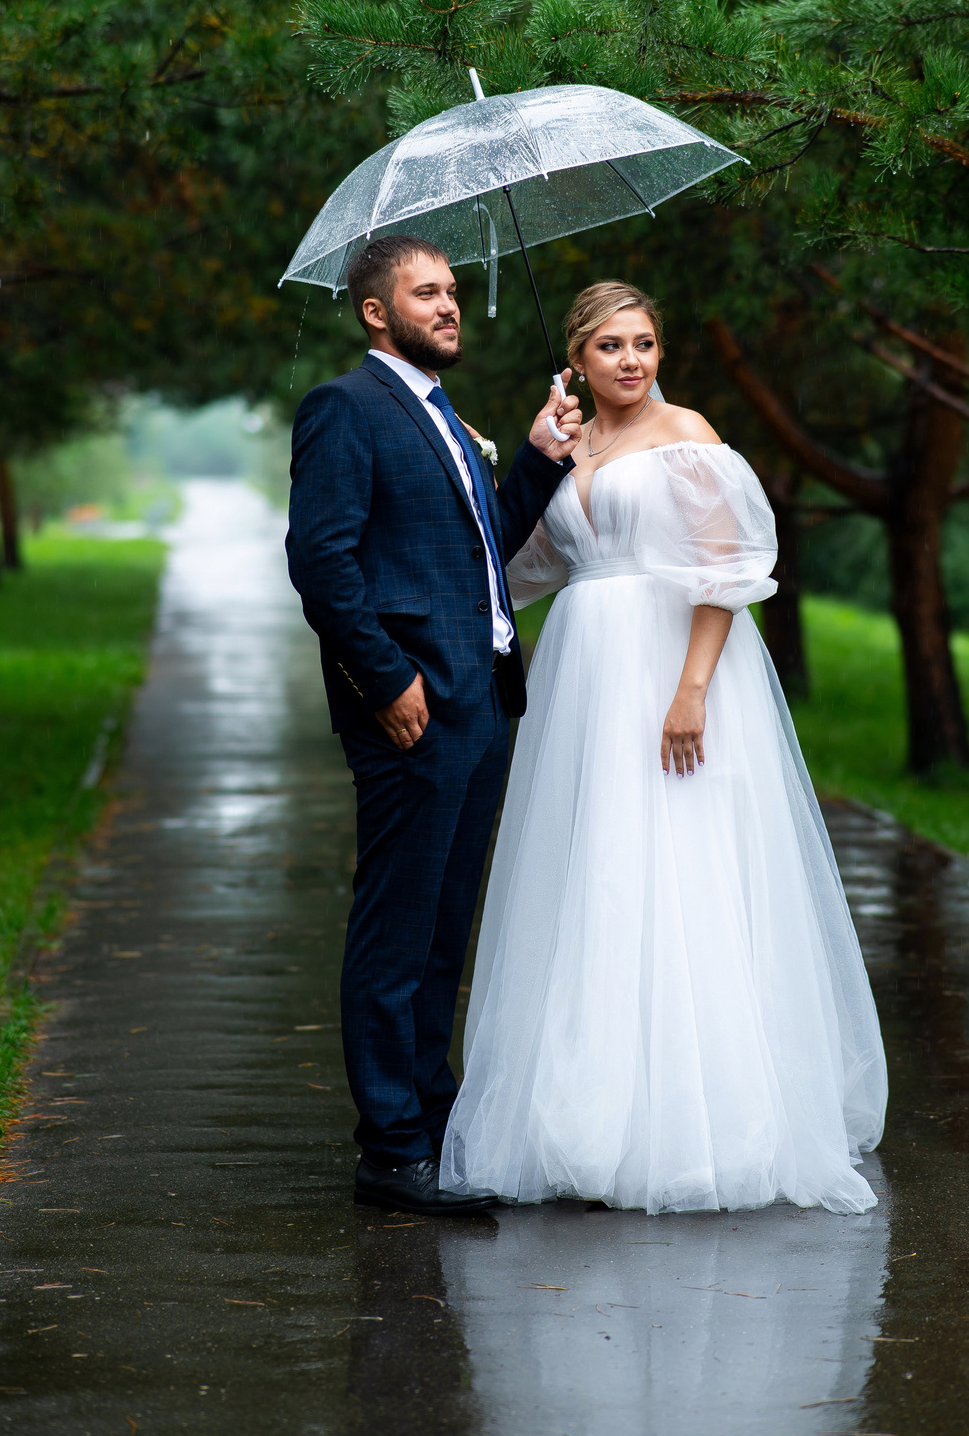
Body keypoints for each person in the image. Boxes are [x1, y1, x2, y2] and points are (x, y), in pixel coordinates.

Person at [441, 280, 888, 1213]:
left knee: (681, 864)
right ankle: (589, 1108)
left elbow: (728, 571)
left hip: (672, 670)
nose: (632, 361)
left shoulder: (688, 435)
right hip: (584, 678)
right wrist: (513, 465)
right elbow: (521, 565)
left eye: (644, 342)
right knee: (595, 869)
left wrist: (691, 691)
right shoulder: (567, 444)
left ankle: (699, 1120)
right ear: (577, 358)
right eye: (611, 346)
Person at [286, 234, 582, 1218]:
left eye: (452, 291)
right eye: (426, 293)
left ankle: (434, 1125)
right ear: (377, 311)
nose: (450, 305)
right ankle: (390, 1148)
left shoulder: (443, 414)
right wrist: (384, 680)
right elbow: (322, 562)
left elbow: (481, 548)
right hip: (411, 711)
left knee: (443, 932)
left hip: (482, 699)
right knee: (396, 931)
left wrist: (538, 459)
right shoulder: (345, 408)